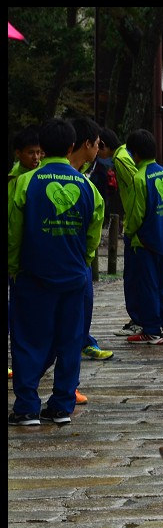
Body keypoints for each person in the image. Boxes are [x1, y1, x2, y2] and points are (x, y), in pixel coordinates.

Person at [8, 118, 103, 425]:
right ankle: (62, 405)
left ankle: (26, 406)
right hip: (74, 277)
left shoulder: (24, 183)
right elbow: (93, 236)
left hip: (33, 276)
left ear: (42, 148)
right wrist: (81, 262)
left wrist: (14, 268)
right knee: (70, 340)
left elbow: (14, 233)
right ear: (72, 146)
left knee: (27, 340)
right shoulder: (88, 188)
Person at [112, 129, 163, 345]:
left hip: (144, 242)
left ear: (134, 154)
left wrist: (129, 232)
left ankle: (152, 329)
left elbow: (136, 213)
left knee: (147, 286)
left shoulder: (138, 178)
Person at [68, 118, 114, 380]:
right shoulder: (86, 186)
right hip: (75, 263)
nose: (99, 149)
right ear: (86, 144)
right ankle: (63, 393)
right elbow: (93, 233)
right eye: (97, 144)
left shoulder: (29, 181)